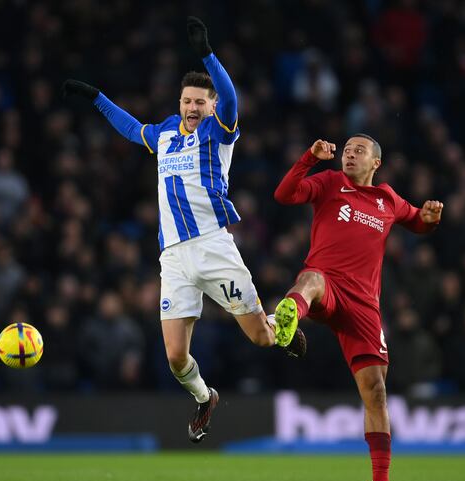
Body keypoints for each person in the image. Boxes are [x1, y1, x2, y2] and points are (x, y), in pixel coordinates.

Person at [62, 17, 305, 443]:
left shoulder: (219, 131)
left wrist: (208, 55)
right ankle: (204, 397)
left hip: (213, 247)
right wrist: (98, 99)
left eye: (199, 102)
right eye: (186, 100)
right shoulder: (166, 134)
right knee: (176, 357)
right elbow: (130, 127)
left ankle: (278, 326)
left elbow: (230, 96)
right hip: (172, 256)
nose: (192, 108)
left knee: (261, 340)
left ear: (210, 107)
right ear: (179, 102)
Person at [272, 135, 443, 481]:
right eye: (347, 150)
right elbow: (284, 195)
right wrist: (308, 159)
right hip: (329, 285)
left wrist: (429, 220)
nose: (349, 154)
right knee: (311, 279)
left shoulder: (387, 199)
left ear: (375, 163)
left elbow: (416, 221)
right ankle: (288, 317)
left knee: (376, 392)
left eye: (358, 150)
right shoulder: (330, 183)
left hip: (364, 305)